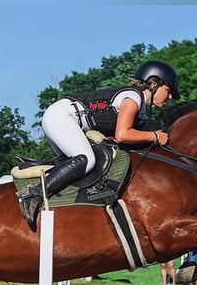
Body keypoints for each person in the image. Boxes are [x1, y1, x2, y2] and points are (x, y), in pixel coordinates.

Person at [17, 60, 181, 228]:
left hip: (64, 119)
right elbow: (123, 135)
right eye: (168, 91)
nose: (169, 97)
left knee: (77, 170)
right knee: (86, 159)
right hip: (61, 117)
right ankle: (33, 195)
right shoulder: (133, 98)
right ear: (153, 84)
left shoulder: (140, 106)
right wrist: (153, 136)